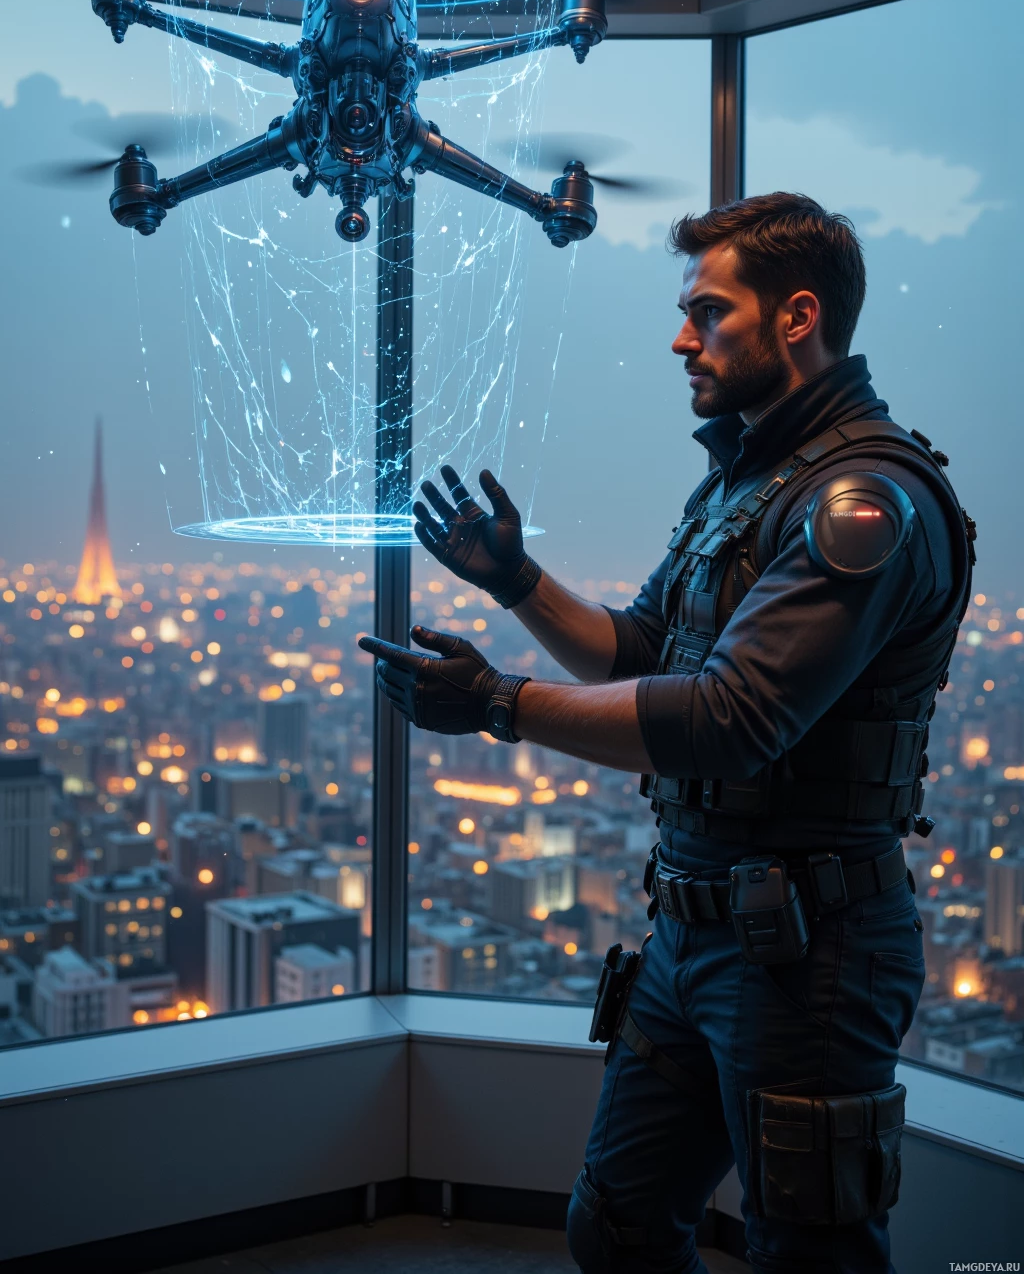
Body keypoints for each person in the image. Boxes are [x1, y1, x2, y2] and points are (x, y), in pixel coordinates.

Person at [360, 192, 975, 1274]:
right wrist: (516, 582)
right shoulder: (745, 482)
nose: (680, 337)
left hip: (807, 952)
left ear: (795, 318)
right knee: (619, 1226)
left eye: (707, 311)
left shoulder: (862, 499)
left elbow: (737, 717)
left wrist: (500, 705)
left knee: (810, 1253)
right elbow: (641, 649)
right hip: (690, 932)